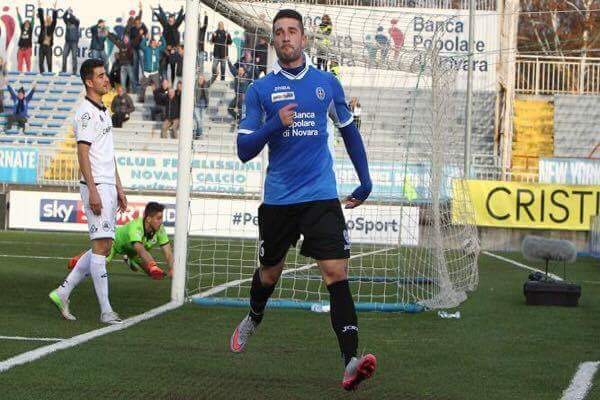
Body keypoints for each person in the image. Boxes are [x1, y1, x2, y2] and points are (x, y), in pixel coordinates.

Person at [231, 9, 376, 391]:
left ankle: (350, 361)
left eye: (292, 31)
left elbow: (348, 131)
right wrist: (273, 123)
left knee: (336, 272)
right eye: (279, 32)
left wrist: (365, 179)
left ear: (304, 38)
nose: (286, 37)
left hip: (320, 195)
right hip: (279, 199)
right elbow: (244, 150)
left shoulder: (327, 83)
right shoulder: (260, 90)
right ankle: (254, 315)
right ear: (273, 40)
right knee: (270, 273)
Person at [49, 58, 127, 325]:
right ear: (89, 82)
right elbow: (82, 153)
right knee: (100, 247)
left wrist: (119, 186)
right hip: (97, 186)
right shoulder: (85, 113)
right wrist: (92, 189)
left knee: (104, 245)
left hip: (108, 184)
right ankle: (106, 310)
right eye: (101, 76)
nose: (106, 79)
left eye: (106, 75)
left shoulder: (103, 110)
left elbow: (108, 153)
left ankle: (63, 292)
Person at [67, 202, 173, 280]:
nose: (161, 221)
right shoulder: (136, 226)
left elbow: (168, 252)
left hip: (134, 252)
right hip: (115, 243)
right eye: (158, 218)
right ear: (149, 219)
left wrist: (173, 269)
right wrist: (152, 265)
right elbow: (140, 249)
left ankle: (130, 259)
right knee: (96, 266)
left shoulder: (160, 229)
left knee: (153, 275)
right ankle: (80, 257)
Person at [138, 35, 165, 103]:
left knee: (157, 87)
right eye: (153, 43)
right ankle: (141, 99)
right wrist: (145, 38)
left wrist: (161, 37)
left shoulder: (158, 49)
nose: (154, 44)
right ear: (150, 43)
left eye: (155, 43)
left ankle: (158, 99)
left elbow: (164, 45)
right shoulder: (146, 49)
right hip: (147, 72)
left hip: (155, 72)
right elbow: (141, 45)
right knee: (143, 86)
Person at [37, 1, 58, 73]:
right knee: (40, 62)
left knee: (49, 63)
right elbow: (41, 17)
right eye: (47, 19)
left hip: (48, 47)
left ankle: (49, 75)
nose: (48, 20)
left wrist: (54, 9)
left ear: (50, 21)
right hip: (42, 46)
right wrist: (39, 6)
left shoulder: (51, 28)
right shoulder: (43, 26)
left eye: (49, 19)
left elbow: (54, 20)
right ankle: (42, 74)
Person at [62, 7, 80, 75]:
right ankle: (63, 71)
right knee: (64, 56)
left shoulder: (76, 22)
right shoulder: (67, 22)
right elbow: (64, 17)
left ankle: (74, 72)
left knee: (74, 57)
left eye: (70, 13)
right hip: (67, 42)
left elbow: (74, 19)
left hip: (74, 42)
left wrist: (70, 13)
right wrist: (67, 11)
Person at [16, 7, 34, 72]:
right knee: (19, 63)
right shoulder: (22, 28)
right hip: (20, 49)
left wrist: (33, 15)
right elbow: (20, 20)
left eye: (28, 23)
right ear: (24, 24)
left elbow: (32, 21)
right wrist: (17, 12)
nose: (27, 24)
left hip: (27, 49)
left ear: (29, 25)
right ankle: (19, 74)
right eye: (25, 23)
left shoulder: (30, 29)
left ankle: (28, 74)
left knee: (28, 63)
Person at [194, 75, 210, 139]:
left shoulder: (206, 84)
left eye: (202, 79)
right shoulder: (195, 84)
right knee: (198, 119)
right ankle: (199, 134)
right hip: (197, 104)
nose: (200, 80)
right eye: (199, 79)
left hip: (203, 104)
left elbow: (212, 79)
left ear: (203, 79)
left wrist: (215, 74)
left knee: (202, 120)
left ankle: (198, 134)